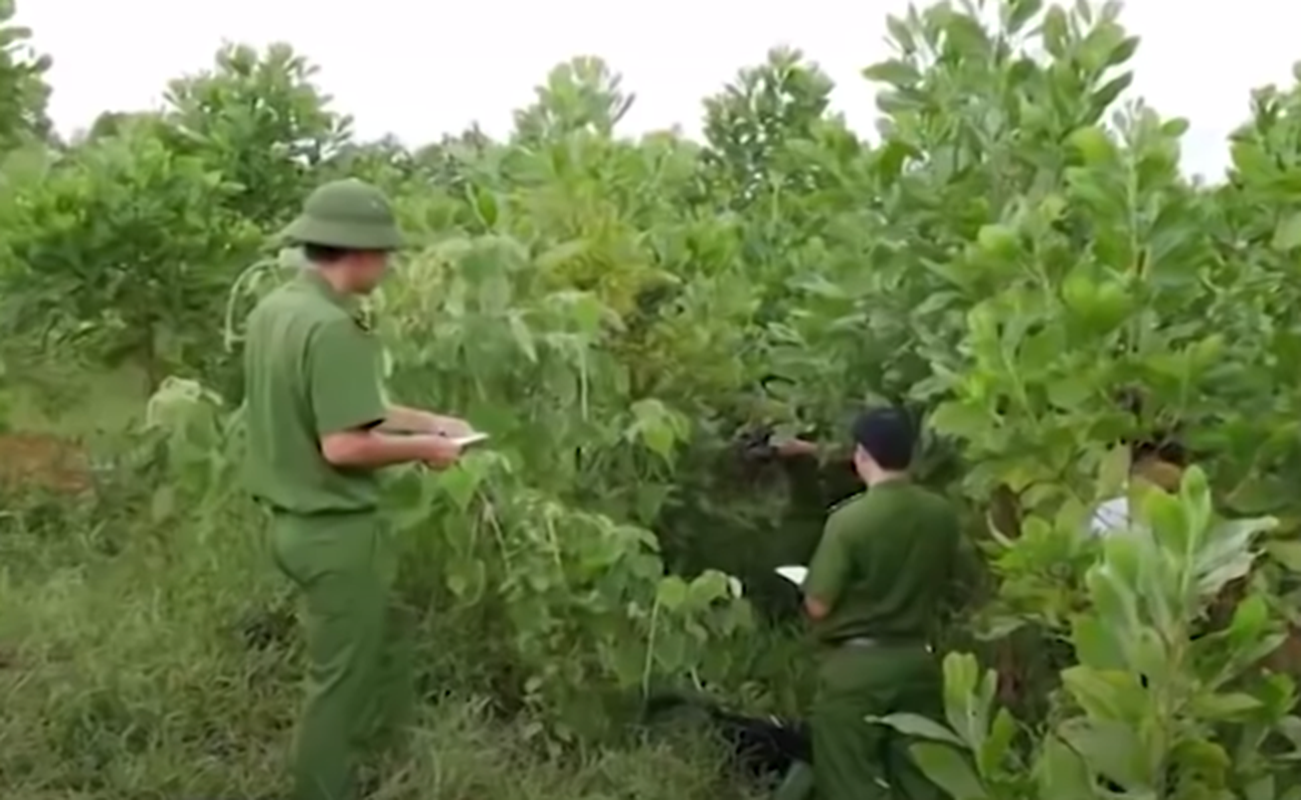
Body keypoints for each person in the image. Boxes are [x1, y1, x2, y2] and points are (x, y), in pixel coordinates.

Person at [243, 178, 471, 800]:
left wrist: (430, 421)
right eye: (385, 253)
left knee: (381, 636)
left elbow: (346, 403)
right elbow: (344, 445)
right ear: (359, 252)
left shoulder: (277, 311)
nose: (390, 264)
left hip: (290, 523)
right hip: (336, 530)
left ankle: (380, 756)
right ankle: (323, 787)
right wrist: (428, 451)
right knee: (337, 679)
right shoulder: (338, 329)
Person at [776, 407, 963, 800]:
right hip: (918, 662)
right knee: (925, 779)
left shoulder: (849, 520)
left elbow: (819, 605)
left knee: (851, 782)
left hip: (856, 670)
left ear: (861, 455)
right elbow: (960, 580)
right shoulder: (941, 515)